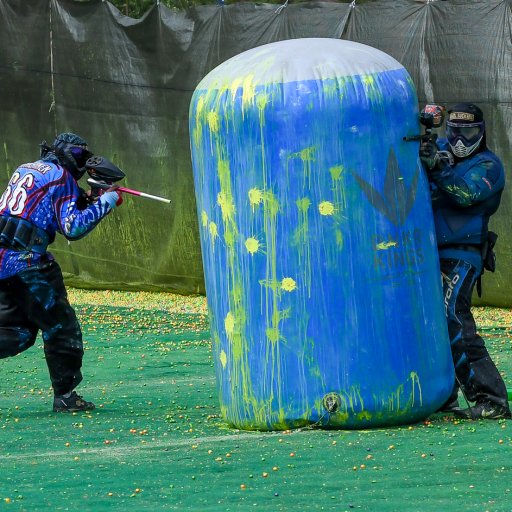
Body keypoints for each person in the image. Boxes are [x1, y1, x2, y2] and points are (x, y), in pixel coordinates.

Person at [0, 133, 123, 412]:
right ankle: (66, 396)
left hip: (4, 260)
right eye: (80, 158)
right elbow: (72, 228)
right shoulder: (60, 177)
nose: (81, 165)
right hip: (27, 262)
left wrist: (90, 198)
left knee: (17, 332)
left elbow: (47, 211)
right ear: (69, 155)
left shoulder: (28, 168)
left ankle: (65, 394)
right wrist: (106, 202)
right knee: (61, 327)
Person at [420, 103, 511, 420]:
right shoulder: (439, 150)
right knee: (428, 323)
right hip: (426, 252)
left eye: (468, 133)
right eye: (454, 133)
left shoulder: (489, 165)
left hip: (462, 253)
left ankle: (492, 398)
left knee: (452, 315)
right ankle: (445, 393)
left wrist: (436, 166)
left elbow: (465, 194)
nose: (459, 141)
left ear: (481, 133)